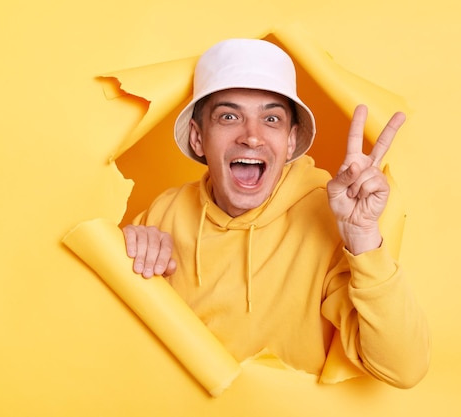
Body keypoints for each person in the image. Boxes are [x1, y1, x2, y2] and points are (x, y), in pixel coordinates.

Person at [122, 38, 430, 388]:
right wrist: (126, 255)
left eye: (271, 119)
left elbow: (404, 369)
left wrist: (362, 238)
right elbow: (116, 343)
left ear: (289, 140)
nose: (252, 137)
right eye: (229, 116)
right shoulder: (162, 214)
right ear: (197, 138)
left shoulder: (329, 220)